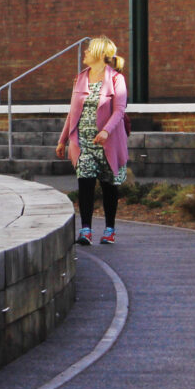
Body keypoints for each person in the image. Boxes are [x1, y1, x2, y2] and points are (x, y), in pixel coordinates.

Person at [55, 36, 130, 246]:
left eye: (89, 49)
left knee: (109, 187)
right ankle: (85, 230)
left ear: (99, 54)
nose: (85, 52)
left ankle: (109, 230)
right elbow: (72, 112)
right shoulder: (80, 78)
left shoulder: (116, 79)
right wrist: (62, 140)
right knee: (85, 184)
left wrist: (106, 131)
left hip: (109, 144)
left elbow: (119, 110)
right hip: (83, 143)